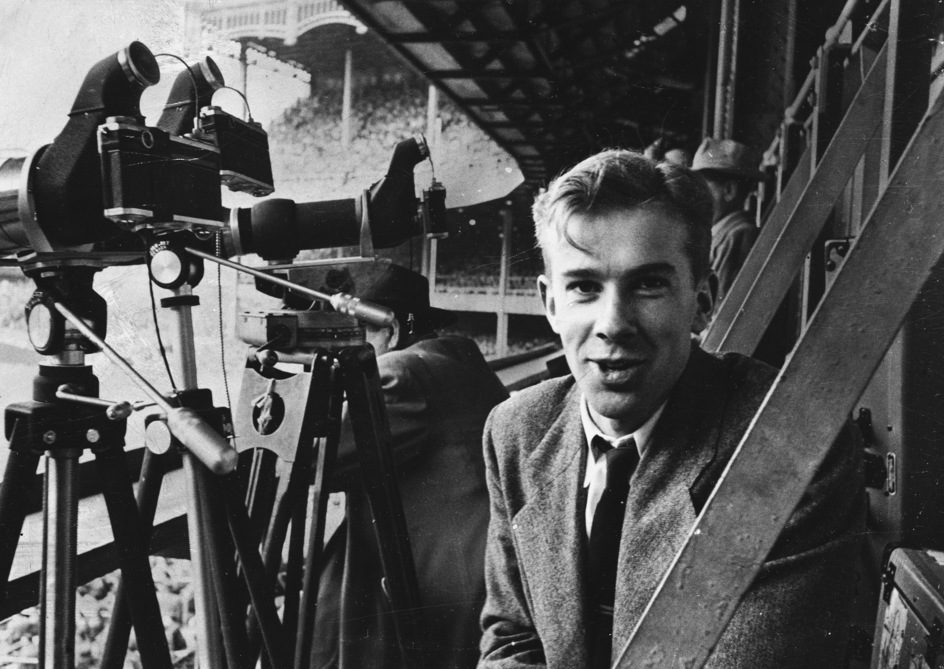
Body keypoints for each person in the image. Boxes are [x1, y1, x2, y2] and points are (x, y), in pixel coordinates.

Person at [478, 150, 866, 667]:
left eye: (648, 284)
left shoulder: (792, 444)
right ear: (551, 304)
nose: (613, 323)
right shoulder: (516, 431)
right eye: (584, 287)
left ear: (702, 300)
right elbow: (511, 638)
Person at [312, 263, 509, 669]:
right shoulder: (459, 358)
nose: (338, 349)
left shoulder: (398, 372)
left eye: (353, 334)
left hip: (439, 592)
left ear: (393, 330)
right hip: (489, 573)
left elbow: (313, 461)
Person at [691, 137, 762, 305]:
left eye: (702, 188)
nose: (695, 197)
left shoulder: (739, 234)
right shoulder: (720, 233)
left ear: (729, 190)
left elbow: (719, 312)